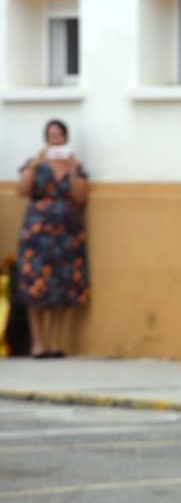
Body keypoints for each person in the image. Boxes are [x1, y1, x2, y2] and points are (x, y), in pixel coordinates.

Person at [14, 119, 90, 359]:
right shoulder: (36, 164)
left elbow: (80, 197)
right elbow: (22, 191)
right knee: (34, 285)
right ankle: (38, 343)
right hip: (37, 233)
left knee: (62, 285)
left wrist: (73, 169)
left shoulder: (74, 165)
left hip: (66, 233)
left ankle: (56, 342)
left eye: (59, 136)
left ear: (65, 139)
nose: (55, 141)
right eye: (51, 136)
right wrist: (35, 165)